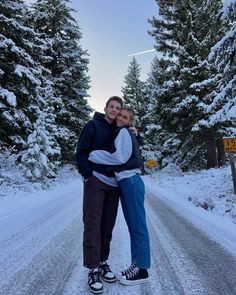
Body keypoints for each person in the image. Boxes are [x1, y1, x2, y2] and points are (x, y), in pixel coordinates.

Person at [89, 108, 151, 286]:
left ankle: (142, 269)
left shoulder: (124, 132)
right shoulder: (123, 132)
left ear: (130, 121)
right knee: (133, 226)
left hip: (131, 181)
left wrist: (94, 155)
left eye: (126, 117)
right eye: (120, 115)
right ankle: (137, 264)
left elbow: (119, 157)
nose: (121, 118)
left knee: (138, 226)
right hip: (126, 182)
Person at [76, 96, 123, 294]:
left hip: (114, 183)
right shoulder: (92, 126)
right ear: (105, 108)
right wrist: (87, 174)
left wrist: (136, 135)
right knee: (93, 223)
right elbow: (81, 151)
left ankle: (103, 262)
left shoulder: (120, 130)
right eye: (111, 107)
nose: (114, 110)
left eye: (117, 108)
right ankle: (92, 268)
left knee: (107, 225)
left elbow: (128, 151)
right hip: (95, 180)